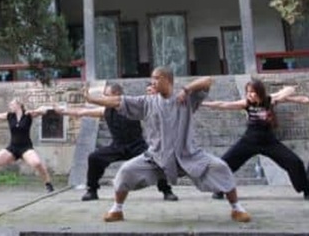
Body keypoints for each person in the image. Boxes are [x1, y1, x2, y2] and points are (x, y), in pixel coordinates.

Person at [84, 67, 251, 223]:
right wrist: (92, 99)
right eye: (152, 79)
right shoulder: (147, 102)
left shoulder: (187, 100)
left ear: (167, 80)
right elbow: (118, 101)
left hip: (189, 154)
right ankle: (117, 209)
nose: (153, 82)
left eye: (157, 78)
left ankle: (236, 208)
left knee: (221, 167)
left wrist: (186, 90)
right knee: (125, 171)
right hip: (157, 157)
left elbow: (207, 80)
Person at [56, 83, 178, 202]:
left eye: (107, 95)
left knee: (155, 159)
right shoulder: (105, 110)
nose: (104, 98)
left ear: (117, 94)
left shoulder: (133, 107)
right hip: (117, 146)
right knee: (94, 158)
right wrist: (62, 111)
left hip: (137, 146)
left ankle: (167, 191)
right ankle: (92, 190)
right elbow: (81, 112)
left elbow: (154, 107)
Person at [202, 79, 309, 200]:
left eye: (253, 92)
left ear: (259, 92)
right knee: (225, 163)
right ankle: (219, 190)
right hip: (249, 141)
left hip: (269, 142)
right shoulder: (246, 103)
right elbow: (223, 105)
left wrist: (283, 92)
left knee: (294, 162)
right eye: (248, 92)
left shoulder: (269, 100)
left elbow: (290, 90)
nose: (250, 95)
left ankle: (306, 190)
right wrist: (203, 104)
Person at [0, 98, 55, 193]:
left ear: (18, 105)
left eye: (12, 104)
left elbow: (44, 110)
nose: (10, 106)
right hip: (12, 148)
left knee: (37, 163)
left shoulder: (28, 114)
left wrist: (34, 111)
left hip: (26, 148)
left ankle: (48, 184)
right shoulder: (9, 116)